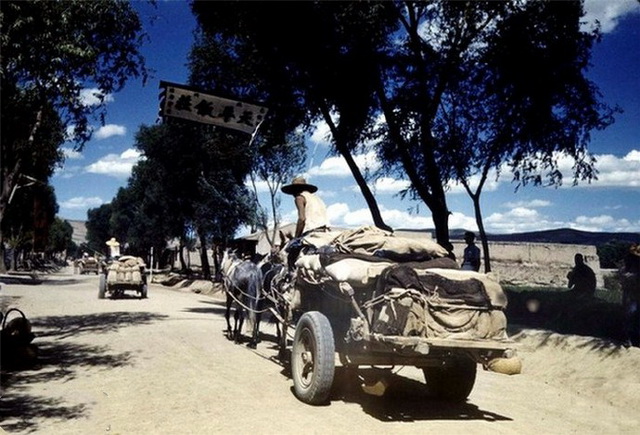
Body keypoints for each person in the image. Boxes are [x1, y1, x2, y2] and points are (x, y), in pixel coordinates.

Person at [281, 176, 330, 270]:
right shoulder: (318, 199)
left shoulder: (299, 198)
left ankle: (292, 278)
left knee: (289, 253)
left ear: (296, 190)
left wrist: (295, 237)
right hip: (325, 232)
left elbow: (302, 219)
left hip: (312, 232)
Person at [620, 244, 640, 347]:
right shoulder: (626, 270)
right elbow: (625, 279)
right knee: (630, 316)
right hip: (631, 295)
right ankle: (628, 339)